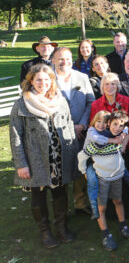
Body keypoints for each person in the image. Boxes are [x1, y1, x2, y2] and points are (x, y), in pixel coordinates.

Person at [10, 64, 80, 248]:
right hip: (36, 158)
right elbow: (15, 135)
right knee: (38, 195)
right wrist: (21, 163)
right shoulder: (21, 104)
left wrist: (73, 157)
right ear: (31, 81)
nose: (43, 83)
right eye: (38, 79)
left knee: (60, 192)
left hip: (59, 156)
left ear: (52, 81)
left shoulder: (60, 100)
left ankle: (62, 228)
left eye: (47, 79)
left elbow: (69, 126)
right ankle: (45, 232)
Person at [78, 110, 129, 251]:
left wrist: (123, 134)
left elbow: (125, 129)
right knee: (102, 208)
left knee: (118, 201)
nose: (117, 128)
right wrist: (84, 171)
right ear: (109, 124)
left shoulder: (119, 137)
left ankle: (123, 227)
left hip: (117, 177)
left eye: (120, 126)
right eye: (115, 124)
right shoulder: (97, 142)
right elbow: (82, 156)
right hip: (102, 178)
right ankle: (106, 235)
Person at [52, 47, 95, 215]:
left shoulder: (82, 77)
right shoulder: (48, 79)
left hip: (80, 132)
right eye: (61, 59)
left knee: (81, 166)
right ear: (53, 60)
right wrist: (69, 128)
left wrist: (82, 125)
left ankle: (80, 203)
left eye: (68, 59)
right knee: (61, 168)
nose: (65, 62)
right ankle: (61, 208)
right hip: (58, 132)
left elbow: (91, 102)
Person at [90, 73, 129, 144]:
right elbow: (92, 127)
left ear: (117, 86)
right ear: (102, 87)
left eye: (113, 84)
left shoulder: (126, 101)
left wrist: (124, 144)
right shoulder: (95, 105)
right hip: (102, 143)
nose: (110, 87)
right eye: (107, 84)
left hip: (124, 142)